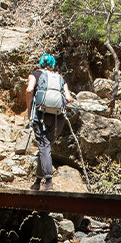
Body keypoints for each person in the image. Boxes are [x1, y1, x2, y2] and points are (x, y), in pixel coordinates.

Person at [25, 54, 73, 191]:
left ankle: (48, 181)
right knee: (45, 147)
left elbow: (29, 90)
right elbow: (68, 99)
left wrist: (30, 110)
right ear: (53, 65)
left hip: (41, 115)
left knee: (43, 146)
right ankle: (37, 181)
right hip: (59, 118)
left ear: (40, 63)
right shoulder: (60, 78)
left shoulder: (35, 74)